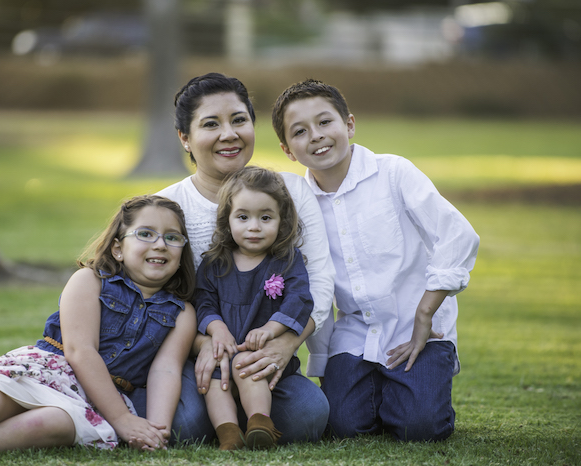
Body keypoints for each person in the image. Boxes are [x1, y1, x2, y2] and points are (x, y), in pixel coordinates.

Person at [0, 195, 197, 453]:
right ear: (118, 247)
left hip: (100, 397)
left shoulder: (181, 313)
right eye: (145, 234)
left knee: (50, 425)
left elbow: (166, 370)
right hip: (48, 370)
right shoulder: (89, 281)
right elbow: (80, 351)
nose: (160, 245)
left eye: (172, 238)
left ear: (182, 250)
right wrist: (123, 420)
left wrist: (155, 429)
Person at [271, 79, 480, 441]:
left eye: (325, 122)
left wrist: (425, 313)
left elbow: (458, 235)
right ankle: (383, 388)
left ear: (349, 125)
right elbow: (311, 282)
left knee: (421, 428)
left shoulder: (393, 172)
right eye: (300, 131)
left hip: (421, 328)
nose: (317, 136)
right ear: (288, 149)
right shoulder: (297, 203)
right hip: (356, 333)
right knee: (341, 425)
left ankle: (416, 386)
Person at [157, 72, 335, 445]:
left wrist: (284, 344)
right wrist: (205, 344)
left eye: (239, 120)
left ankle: (255, 417)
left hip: (267, 353)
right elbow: (162, 299)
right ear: (185, 138)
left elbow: (316, 280)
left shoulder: (292, 192)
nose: (229, 134)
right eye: (211, 124)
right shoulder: (168, 207)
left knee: (308, 417)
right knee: (187, 427)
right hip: (202, 354)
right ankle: (225, 421)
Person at [194, 166, 313, 450]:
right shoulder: (215, 262)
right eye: (243, 217)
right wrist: (216, 328)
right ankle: (229, 433)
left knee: (245, 365)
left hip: (259, 356)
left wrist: (272, 328)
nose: (254, 226)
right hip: (223, 350)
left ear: (282, 222)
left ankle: (260, 423)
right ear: (228, 220)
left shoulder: (286, 260)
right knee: (215, 379)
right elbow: (203, 300)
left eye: (266, 217)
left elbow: (300, 298)